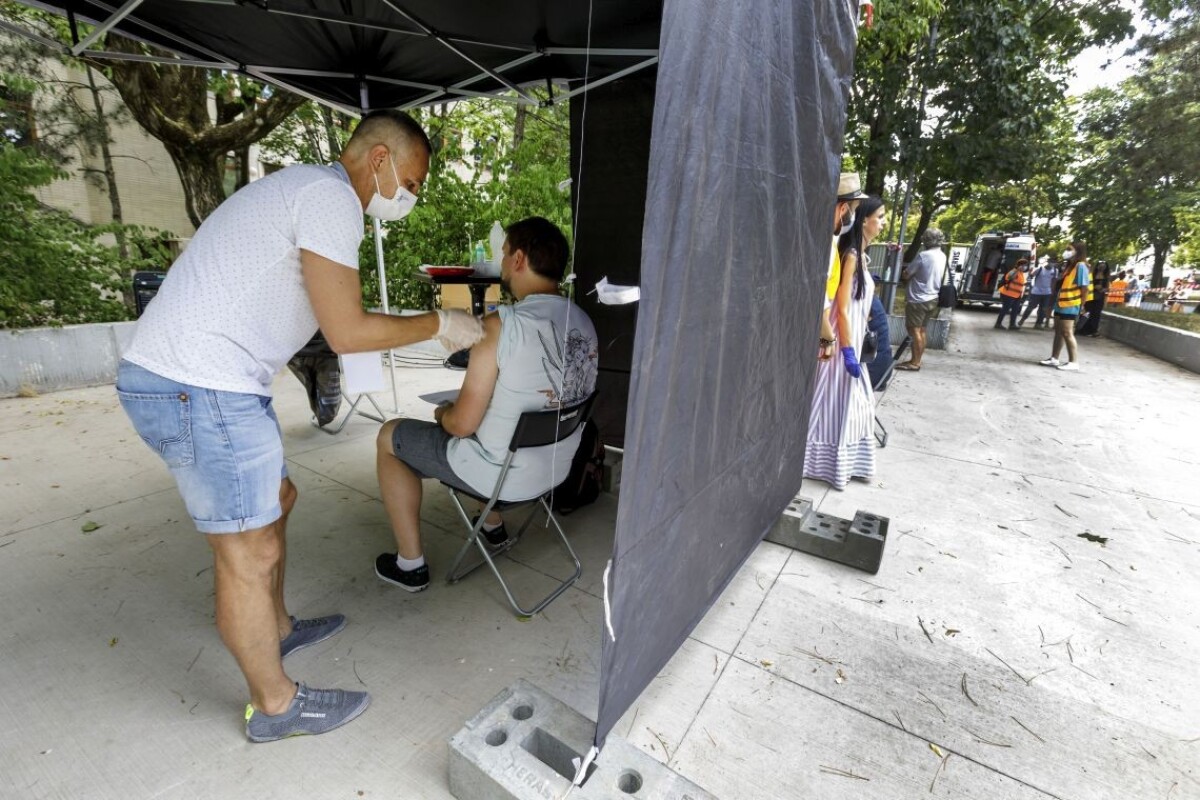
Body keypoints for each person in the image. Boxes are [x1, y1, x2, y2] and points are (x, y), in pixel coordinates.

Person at [115, 110, 485, 743]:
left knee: (279, 499)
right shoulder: (330, 198)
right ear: (379, 160)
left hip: (218, 381)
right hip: (199, 384)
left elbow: (332, 313)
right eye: (412, 183)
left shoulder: (307, 190)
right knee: (247, 550)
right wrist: (439, 324)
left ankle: (278, 629)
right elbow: (347, 331)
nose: (410, 197)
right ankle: (276, 706)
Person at [374, 217, 599, 590]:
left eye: (504, 252)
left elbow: (461, 426)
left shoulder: (502, 325)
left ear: (519, 259)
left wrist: (443, 413)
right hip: (553, 471)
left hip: (500, 478)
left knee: (389, 436)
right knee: (498, 422)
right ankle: (492, 527)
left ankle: (410, 564)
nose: (502, 261)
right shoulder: (584, 321)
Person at [804, 195, 882, 490]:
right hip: (841, 344)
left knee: (849, 406)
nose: (882, 223)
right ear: (864, 221)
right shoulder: (850, 256)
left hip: (850, 342)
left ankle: (838, 463)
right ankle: (819, 463)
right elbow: (841, 309)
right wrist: (847, 350)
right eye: (879, 217)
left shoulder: (859, 257)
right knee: (835, 406)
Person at [818, 173, 868, 364]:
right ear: (843, 208)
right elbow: (818, 297)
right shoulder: (826, 247)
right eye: (853, 210)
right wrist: (828, 338)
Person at [895, 227, 947, 371]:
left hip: (918, 299)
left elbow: (907, 274)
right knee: (922, 330)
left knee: (914, 330)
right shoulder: (942, 255)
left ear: (927, 240)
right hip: (933, 297)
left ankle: (914, 362)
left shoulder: (924, 255)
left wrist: (904, 272)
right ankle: (917, 359)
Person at [1039, 240, 1091, 371]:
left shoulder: (1080, 266)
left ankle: (1073, 362)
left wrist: (1082, 306)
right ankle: (1054, 358)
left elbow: (1085, 288)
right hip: (1061, 303)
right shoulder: (1069, 266)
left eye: (1069, 249)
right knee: (1059, 332)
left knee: (1067, 332)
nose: (1066, 252)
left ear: (1077, 251)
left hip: (1071, 304)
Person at [1018, 257, 1057, 329]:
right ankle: (1022, 320)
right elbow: (1031, 276)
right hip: (1036, 292)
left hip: (1047, 293)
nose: (1053, 264)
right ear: (1048, 262)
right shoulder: (1040, 269)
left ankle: (1038, 324)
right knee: (1031, 307)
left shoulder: (1055, 271)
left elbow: (1054, 281)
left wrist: (1052, 291)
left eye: (1054, 262)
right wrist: (1030, 275)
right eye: (1052, 262)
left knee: (1043, 309)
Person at [1078, 260, 1110, 337]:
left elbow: (1107, 288)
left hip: (1099, 297)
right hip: (1090, 296)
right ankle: (1083, 329)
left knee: (1096, 314)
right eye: (1100, 265)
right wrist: (1093, 287)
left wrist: (1102, 289)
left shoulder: (1106, 277)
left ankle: (1093, 330)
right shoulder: (1092, 274)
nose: (1102, 267)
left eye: (1104, 266)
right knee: (1087, 313)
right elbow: (1087, 284)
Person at [994, 257, 1028, 330]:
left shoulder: (1021, 273)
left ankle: (1012, 325)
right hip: (1008, 294)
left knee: (1015, 310)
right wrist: (1017, 270)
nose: (1025, 267)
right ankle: (998, 324)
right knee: (1005, 309)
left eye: (1026, 265)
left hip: (1017, 295)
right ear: (1019, 265)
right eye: (1024, 265)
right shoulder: (1013, 271)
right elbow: (1009, 278)